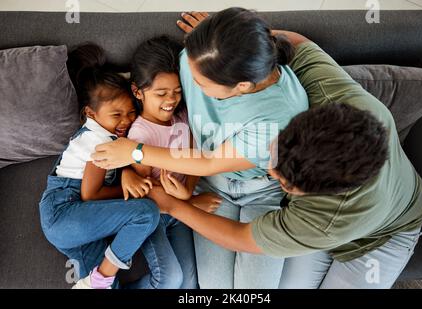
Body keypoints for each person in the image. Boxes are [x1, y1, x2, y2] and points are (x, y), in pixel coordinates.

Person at [92, 9, 422, 289]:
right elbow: (300, 44)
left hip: (381, 235)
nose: (268, 170)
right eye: (274, 159)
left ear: (307, 193)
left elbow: (243, 236)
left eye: (282, 180)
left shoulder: (327, 216)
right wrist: (233, 46)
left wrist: (172, 205)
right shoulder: (330, 93)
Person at [93, 8, 309, 288]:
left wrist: (136, 151)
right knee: (210, 290)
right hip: (211, 186)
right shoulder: (196, 58)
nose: (190, 85)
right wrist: (220, 35)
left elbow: (209, 161)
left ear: (240, 86)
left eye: (200, 83)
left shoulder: (278, 115)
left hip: (260, 193)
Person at [38, 44, 160, 289]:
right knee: (146, 213)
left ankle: (98, 280)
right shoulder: (98, 140)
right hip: (66, 213)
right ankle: (102, 275)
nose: (126, 121)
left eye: (130, 113)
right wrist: (132, 191)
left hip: (78, 229)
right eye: (116, 115)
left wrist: (126, 174)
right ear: (90, 113)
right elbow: (90, 194)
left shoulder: (103, 134)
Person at [122, 36, 219, 289]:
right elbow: (143, 194)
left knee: (189, 285)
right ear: (137, 92)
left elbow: (196, 158)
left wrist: (188, 191)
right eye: (161, 93)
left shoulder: (183, 116)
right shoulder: (140, 136)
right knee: (171, 279)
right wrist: (191, 202)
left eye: (177, 92)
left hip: (180, 210)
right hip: (154, 214)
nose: (171, 100)